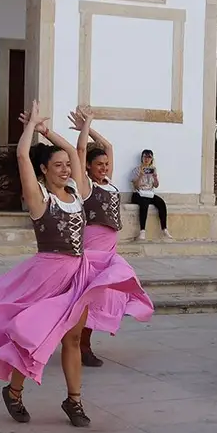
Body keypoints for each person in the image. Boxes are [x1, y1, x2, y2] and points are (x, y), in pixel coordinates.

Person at [0, 101, 144, 427]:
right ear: (43, 170)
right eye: (57, 165)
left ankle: (74, 402)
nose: (65, 168)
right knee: (33, 339)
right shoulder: (39, 198)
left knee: (71, 340)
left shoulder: (76, 192)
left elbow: (75, 151)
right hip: (47, 275)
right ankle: (14, 391)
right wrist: (31, 131)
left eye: (66, 165)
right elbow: (21, 158)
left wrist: (50, 131)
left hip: (78, 275)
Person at [69, 107, 155, 368]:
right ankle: (82, 346)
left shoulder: (108, 180)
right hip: (92, 249)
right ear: (88, 168)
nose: (104, 167)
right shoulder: (86, 186)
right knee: (88, 299)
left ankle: (82, 344)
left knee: (105, 297)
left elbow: (107, 145)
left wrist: (90, 125)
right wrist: (84, 131)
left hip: (109, 249)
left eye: (106, 164)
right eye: (99, 164)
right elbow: (81, 152)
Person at [130, 149, 172, 241]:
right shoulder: (136, 170)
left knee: (161, 202)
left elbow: (156, 185)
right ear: (142, 158)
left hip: (149, 193)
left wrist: (155, 178)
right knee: (144, 204)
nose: (146, 159)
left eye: (149, 157)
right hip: (138, 193)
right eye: (145, 157)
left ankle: (164, 229)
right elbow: (136, 186)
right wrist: (140, 176)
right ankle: (142, 231)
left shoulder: (153, 170)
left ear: (152, 159)